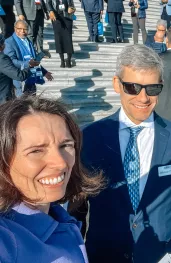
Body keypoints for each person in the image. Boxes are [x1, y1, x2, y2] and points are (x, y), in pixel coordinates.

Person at [70, 45, 171, 263]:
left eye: (152, 89)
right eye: (133, 87)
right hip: (105, 255)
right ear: (117, 85)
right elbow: (77, 212)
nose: (143, 98)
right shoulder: (88, 138)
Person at [0, 96, 104, 263]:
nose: (61, 163)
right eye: (36, 151)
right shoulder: (5, 237)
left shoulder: (61, 218)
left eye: (65, 146)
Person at [4, 20, 53, 96]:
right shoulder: (9, 42)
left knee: (31, 103)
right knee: (21, 105)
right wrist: (27, 64)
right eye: (19, 29)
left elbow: (33, 60)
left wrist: (44, 72)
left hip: (31, 77)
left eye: (25, 29)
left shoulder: (28, 41)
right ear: (15, 28)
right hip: (18, 80)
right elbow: (10, 62)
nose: (22, 31)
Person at [0, 33, 30, 104]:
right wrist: (29, 67)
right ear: (1, 45)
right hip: (3, 100)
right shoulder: (2, 59)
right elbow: (19, 76)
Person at [47, 0, 75, 68]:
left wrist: (71, 9)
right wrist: (50, 11)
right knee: (58, 39)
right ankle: (62, 60)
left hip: (67, 17)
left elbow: (72, 5)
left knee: (68, 39)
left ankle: (68, 59)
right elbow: (48, 3)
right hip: (56, 18)